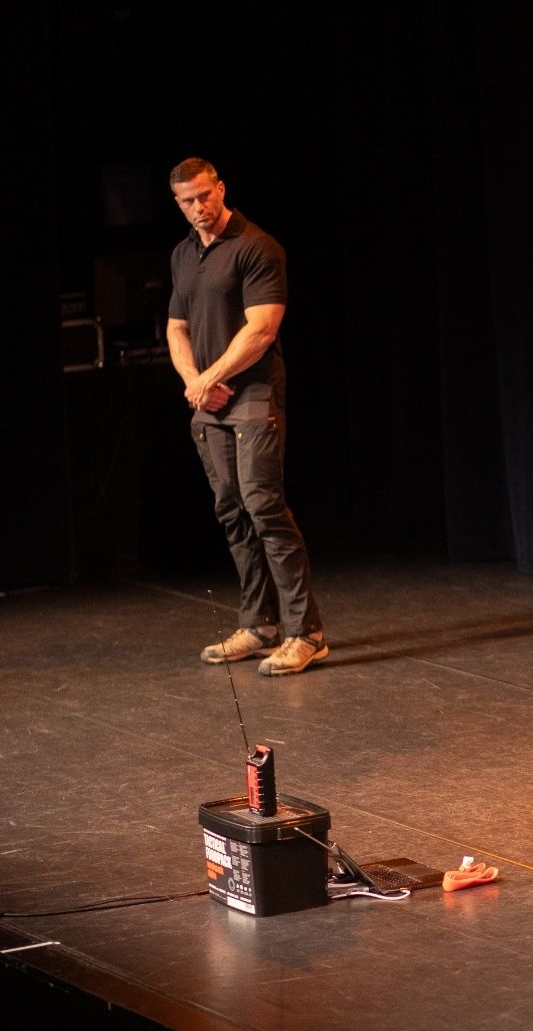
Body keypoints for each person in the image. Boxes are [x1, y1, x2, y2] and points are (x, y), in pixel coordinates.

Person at [165, 157, 326, 676]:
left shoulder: (257, 247)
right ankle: (260, 625)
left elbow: (262, 329)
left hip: (252, 394)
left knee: (264, 508)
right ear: (177, 203)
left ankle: (306, 633)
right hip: (208, 402)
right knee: (232, 512)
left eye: (204, 195)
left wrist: (209, 378)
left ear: (220, 188)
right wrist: (195, 382)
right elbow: (176, 328)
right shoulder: (183, 254)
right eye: (187, 201)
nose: (198, 207)